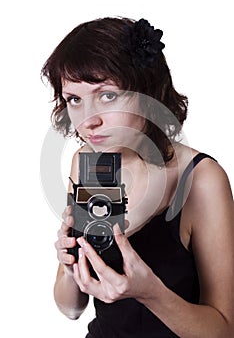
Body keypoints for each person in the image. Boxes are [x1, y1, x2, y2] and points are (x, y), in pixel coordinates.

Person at [41, 17, 234, 337]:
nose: (88, 120)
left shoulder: (201, 180)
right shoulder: (88, 164)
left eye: (107, 95)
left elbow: (225, 330)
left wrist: (150, 293)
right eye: (74, 99)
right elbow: (71, 309)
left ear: (150, 92)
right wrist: (69, 268)